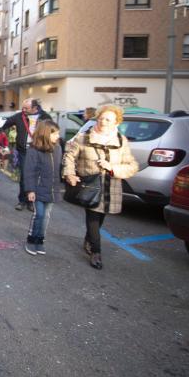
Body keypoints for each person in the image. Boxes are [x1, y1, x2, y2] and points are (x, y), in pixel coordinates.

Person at [62, 105, 138, 270]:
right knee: (93, 217)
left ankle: (89, 239)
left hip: (111, 186)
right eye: (101, 118)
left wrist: (112, 168)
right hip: (90, 185)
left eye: (108, 119)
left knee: (100, 217)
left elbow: (132, 166)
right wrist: (69, 173)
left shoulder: (121, 141)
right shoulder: (83, 137)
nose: (103, 122)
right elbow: (69, 156)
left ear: (116, 122)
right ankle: (96, 252)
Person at [0, 98, 52, 211]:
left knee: (36, 176)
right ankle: (22, 201)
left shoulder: (45, 117)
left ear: (35, 108)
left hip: (39, 150)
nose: (23, 110)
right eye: (23, 107)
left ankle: (31, 202)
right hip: (24, 151)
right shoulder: (19, 116)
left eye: (26, 108)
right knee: (25, 175)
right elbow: (5, 124)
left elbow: (51, 131)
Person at [23, 120, 62, 256]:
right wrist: (30, 190)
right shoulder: (34, 150)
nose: (58, 136)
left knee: (46, 216)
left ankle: (40, 240)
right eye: (55, 133)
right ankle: (31, 239)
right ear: (45, 133)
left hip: (51, 189)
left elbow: (58, 170)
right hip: (38, 189)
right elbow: (29, 172)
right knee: (38, 215)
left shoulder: (57, 148)